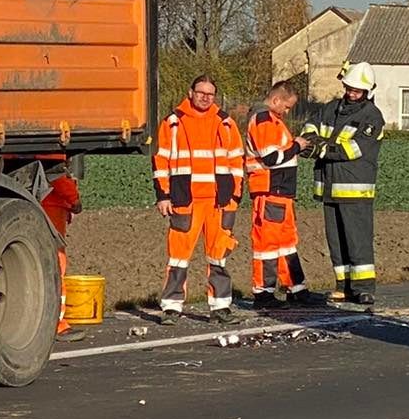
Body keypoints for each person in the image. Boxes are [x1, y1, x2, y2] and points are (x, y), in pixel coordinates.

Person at [153, 74, 246, 319]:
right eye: (201, 92)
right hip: (185, 200)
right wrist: (163, 195)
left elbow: (237, 161)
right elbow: (161, 161)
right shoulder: (173, 122)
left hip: (219, 202)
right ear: (190, 92)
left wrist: (235, 196)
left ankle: (221, 306)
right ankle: (172, 307)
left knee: (218, 256)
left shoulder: (226, 122)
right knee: (178, 257)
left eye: (210, 94)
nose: (205, 97)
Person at [297, 61, 385, 305]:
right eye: (348, 88)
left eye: (356, 91)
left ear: (366, 92)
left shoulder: (372, 117)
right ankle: (343, 286)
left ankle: (364, 288)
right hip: (328, 187)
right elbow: (309, 129)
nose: (351, 94)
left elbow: (352, 149)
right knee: (336, 241)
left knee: (358, 240)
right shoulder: (331, 108)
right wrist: (313, 143)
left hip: (355, 189)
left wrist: (320, 149)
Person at [245, 82, 323, 309]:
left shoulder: (273, 121)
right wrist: (296, 146)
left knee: (286, 242)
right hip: (270, 189)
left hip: (281, 191)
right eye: (287, 107)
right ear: (276, 100)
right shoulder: (264, 120)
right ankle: (263, 293)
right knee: (267, 244)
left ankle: (296, 288)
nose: (287, 112)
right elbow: (271, 158)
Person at [39, 160, 83, 337]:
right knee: (56, 263)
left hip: (42, 202)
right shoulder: (52, 136)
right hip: (51, 204)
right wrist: (73, 198)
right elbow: (55, 171)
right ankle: (57, 323)